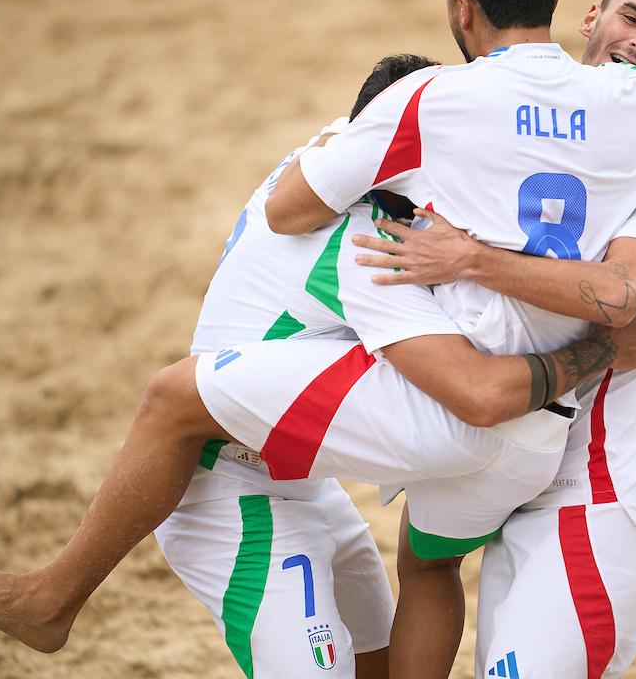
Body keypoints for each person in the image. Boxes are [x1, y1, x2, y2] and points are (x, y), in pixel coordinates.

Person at [0, 0, 636, 677]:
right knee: (174, 395)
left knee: (398, 603)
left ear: (461, 9)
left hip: (300, 471)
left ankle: (56, 593)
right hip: (223, 473)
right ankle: (55, 599)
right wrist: (600, 345)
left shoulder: (405, 140)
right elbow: (480, 392)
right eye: (632, 19)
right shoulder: (376, 232)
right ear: (578, 12)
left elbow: (296, 202)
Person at [351, 0, 636, 678]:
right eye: (632, 18)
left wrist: (469, 258)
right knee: (423, 569)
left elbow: (617, 293)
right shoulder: (507, 132)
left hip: (596, 493)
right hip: (504, 463)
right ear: (590, 19)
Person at [155, 54, 436, 679]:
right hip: (231, 489)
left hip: (295, 479)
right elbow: (463, 374)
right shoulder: (367, 243)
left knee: (379, 656)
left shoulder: (323, 155)